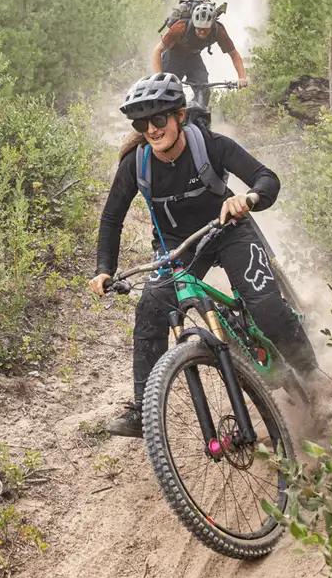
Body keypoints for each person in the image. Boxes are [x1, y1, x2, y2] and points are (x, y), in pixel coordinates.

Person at [89, 73, 318, 437]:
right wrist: (104, 269)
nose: (151, 129)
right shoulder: (136, 163)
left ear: (179, 116)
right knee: (150, 309)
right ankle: (141, 411)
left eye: (159, 119)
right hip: (176, 247)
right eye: (141, 122)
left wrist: (249, 198)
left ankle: (313, 377)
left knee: (266, 307)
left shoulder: (209, 145)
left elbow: (266, 178)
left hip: (228, 232)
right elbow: (111, 217)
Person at [150, 0, 249, 109]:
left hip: (193, 57)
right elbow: (157, 50)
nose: (202, 32)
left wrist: (242, 77)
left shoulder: (218, 31)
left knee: (204, 91)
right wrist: (159, 77)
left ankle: (197, 118)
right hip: (173, 56)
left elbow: (234, 54)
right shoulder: (181, 27)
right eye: (199, 28)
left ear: (211, 26)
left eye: (205, 29)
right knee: (168, 91)